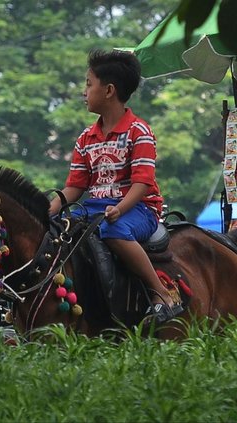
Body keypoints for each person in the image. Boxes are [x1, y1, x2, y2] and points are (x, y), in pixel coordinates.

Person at [49, 49, 182, 324]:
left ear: (109, 90)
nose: (84, 91)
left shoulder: (139, 132)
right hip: (96, 208)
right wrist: (47, 211)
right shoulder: (86, 138)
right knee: (58, 230)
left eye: (88, 83)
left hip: (139, 209)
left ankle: (162, 293)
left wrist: (120, 209)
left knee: (114, 231)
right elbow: (74, 187)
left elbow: (142, 184)